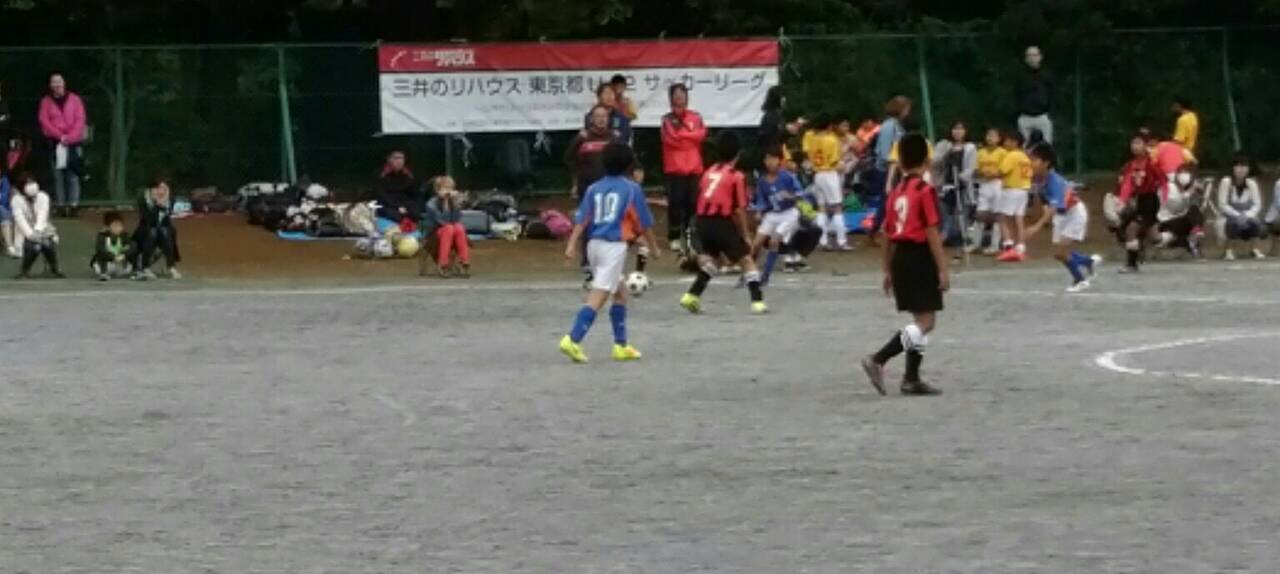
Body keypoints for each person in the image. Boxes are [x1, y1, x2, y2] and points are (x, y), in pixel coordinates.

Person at [860, 133, 947, 396]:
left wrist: (887, 268)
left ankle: (911, 378)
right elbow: (931, 231)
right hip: (919, 256)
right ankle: (879, 358)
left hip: (900, 257)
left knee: (919, 318)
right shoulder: (925, 191)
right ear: (926, 160)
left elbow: (887, 234)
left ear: (900, 162)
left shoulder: (895, 192)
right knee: (927, 322)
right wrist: (942, 268)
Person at [560, 143, 660, 364]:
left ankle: (620, 345)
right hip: (613, 246)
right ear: (629, 165)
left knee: (620, 292)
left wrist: (571, 245)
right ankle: (573, 339)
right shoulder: (632, 189)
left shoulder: (594, 188)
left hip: (593, 245)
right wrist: (654, 248)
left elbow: (582, 219)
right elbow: (645, 223)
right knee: (600, 294)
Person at [679, 132, 766, 315]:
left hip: (702, 222)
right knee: (747, 260)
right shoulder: (736, 176)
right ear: (738, 153)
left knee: (716, 260)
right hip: (719, 221)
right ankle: (757, 301)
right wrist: (745, 236)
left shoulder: (709, 172)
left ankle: (692, 295)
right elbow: (738, 210)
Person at [1024, 144, 1099, 292]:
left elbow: (1052, 208)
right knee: (1059, 254)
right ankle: (1087, 261)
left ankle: (1080, 280)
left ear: (1046, 163)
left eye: (1034, 160)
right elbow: (1044, 201)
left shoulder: (1054, 181)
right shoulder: (1038, 178)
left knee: (1061, 252)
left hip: (1075, 214)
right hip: (1061, 215)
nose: (1031, 163)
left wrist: (1036, 227)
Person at [660, 83, 707, 252]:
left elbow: (702, 135)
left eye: (682, 94)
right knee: (676, 202)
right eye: (676, 94)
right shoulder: (667, 119)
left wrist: (683, 136)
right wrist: (690, 137)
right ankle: (673, 236)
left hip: (694, 168)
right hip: (675, 168)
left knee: (693, 202)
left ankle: (689, 234)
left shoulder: (696, 117)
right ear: (671, 98)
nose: (679, 97)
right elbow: (671, 139)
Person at [750, 147, 804, 285]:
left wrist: (789, 196)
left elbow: (801, 195)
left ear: (779, 160)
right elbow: (761, 200)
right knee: (756, 244)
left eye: (772, 159)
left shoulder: (788, 177)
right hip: (772, 214)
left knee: (774, 240)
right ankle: (749, 272)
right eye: (767, 159)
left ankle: (766, 275)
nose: (769, 162)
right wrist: (759, 212)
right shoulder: (762, 181)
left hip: (789, 213)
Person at [38, 72, 87, 217]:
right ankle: (61, 205)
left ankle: (73, 205)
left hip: (73, 143)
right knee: (58, 175)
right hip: (55, 143)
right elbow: (44, 121)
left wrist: (70, 138)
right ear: (50, 85)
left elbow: (80, 119)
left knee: (73, 174)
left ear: (64, 83)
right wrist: (60, 136)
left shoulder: (75, 100)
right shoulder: (46, 102)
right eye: (54, 82)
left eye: (59, 81)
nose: (57, 84)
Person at [1116, 133, 1166, 272]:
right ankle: (1174, 235)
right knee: (1155, 237)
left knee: (1131, 229)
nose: (1134, 146)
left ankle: (1132, 264)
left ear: (1145, 146)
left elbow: (1163, 180)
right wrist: (1122, 200)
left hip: (1150, 200)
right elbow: (1127, 184)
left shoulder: (1152, 163)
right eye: (1133, 143)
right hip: (1141, 200)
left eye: (1138, 143)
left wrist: (1165, 197)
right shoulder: (1131, 165)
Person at [803, 114, 849, 251]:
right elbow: (835, 161)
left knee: (821, 207)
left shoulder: (812, 139)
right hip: (830, 173)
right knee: (838, 207)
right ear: (829, 125)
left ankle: (822, 240)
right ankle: (841, 241)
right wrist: (842, 165)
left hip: (818, 174)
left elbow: (809, 156)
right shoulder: (832, 139)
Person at [869, 96, 911, 233]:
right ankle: (876, 229)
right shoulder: (889, 126)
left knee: (891, 200)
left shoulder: (897, 126)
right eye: (906, 108)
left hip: (896, 168)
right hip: (886, 169)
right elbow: (885, 151)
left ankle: (885, 227)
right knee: (887, 200)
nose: (908, 112)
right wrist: (893, 164)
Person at [932, 121, 977, 246]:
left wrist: (960, 177)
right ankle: (945, 234)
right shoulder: (944, 145)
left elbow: (971, 168)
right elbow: (935, 162)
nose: (958, 132)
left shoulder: (970, 147)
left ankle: (960, 235)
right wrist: (946, 153)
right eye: (955, 129)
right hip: (945, 184)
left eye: (961, 129)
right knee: (944, 211)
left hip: (962, 185)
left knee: (961, 212)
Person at [10, 179, 62, 279]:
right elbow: (20, 220)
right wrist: (31, 235)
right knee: (35, 247)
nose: (33, 199)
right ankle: (24, 270)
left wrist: (38, 231)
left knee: (47, 243)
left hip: (43, 229)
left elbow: (42, 215)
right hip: (24, 232)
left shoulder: (43, 197)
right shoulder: (16, 200)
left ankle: (54, 269)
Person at [1217, 156, 1265, 260]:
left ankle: (1254, 249)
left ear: (1248, 169)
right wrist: (1237, 215)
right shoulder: (1226, 182)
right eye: (1238, 166)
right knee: (1233, 223)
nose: (1241, 169)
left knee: (1256, 223)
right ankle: (1228, 251)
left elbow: (1257, 204)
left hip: (1247, 215)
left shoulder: (1252, 183)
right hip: (1229, 215)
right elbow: (1222, 204)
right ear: (1233, 168)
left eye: (1244, 167)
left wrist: (1247, 215)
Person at [567, 104, 620, 200]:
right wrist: (575, 183)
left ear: (608, 119)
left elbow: (623, 161)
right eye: (598, 116)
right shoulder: (583, 137)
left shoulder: (614, 137)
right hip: (587, 187)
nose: (601, 119)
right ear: (592, 119)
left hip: (610, 187)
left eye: (604, 116)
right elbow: (569, 158)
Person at [133, 176, 181, 280]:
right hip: (145, 230)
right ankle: (145, 267)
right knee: (153, 232)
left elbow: (166, 220)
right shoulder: (143, 199)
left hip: (163, 231)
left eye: (164, 188)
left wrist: (163, 205)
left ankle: (171, 266)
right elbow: (150, 220)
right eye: (158, 188)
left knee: (165, 231)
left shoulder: (170, 199)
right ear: (151, 189)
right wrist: (157, 205)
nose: (161, 192)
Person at [422, 175, 471, 278]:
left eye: (450, 188)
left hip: (451, 232)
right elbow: (443, 222)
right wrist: (445, 203)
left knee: (459, 227)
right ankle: (443, 263)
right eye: (445, 188)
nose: (448, 191)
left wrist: (456, 204)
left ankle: (464, 261)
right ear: (437, 190)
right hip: (433, 235)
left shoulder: (453, 201)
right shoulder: (431, 204)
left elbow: (456, 220)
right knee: (448, 228)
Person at [995, 131, 1032, 262]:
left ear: (1015, 142)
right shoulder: (1025, 156)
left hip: (1011, 189)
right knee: (1019, 218)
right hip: (1023, 190)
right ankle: (1021, 247)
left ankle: (1008, 247)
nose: (1005, 143)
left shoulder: (1011, 155)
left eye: (1007, 141)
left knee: (1003, 218)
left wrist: (989, 173)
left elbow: (1002, 171)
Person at [968, 127, 1007, 254]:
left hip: (997, 184)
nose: (990, 138)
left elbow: (1005, 170)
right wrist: (981, 173)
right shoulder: (980, 152)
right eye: (988, 135)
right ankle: (975, 244)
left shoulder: (1003, 152)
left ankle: (994, 245)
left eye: (993, 135)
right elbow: (975, 170)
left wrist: (994, 174)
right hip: (984, 184)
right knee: (980, 214)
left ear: (999, 139)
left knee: (997, 215)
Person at [1156, 167, 1206, 258]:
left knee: (1195, 210)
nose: (1184, 175)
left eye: (1187, 172)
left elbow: (1195, 205)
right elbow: (1175, 207)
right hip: (1166, 221)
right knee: (1175, 234)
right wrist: (1189, 192)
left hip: (1181, 221)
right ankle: (1187, 242)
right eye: (1182, 172)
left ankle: (1196, 231)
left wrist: (1199, 192)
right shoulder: (1169, 187)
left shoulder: (1187, 187)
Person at [374, 150, 424, 233]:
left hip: (406, 204)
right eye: (396, 158)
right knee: (390, 213)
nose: (399, 161)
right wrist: (398, 207)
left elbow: (416, 194)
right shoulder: (380, 174)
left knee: (415, 211)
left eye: (401, 158)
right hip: (388, 204)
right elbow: (381, 195)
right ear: (389, 159)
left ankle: (412, 230)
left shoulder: (410, 174)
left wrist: (408, 206)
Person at [1015, 46, 1054, 144]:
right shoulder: (1020, 75)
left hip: (1042, 116)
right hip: (1025, 117)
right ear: (1026, 59)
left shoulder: (1047, 74)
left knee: (1046, 147)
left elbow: (1052, 93)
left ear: (1040, 57)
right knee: (1025, 148)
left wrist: (1049, 112)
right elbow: (1016, 94)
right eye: (1029, 55)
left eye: (1034, 55)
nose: (1032, 58)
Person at [91, 211, 133, 281]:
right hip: (107, 264)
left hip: (120, 264)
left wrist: (124, 255)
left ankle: (135, 271)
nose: (118, 228)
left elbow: (132, 247)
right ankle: (103, 273)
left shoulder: (125, 236)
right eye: (115, 226)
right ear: (107, 227)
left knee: (132, 255)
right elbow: (100, 249)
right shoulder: (102, 236)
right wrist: (113, 257)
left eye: (120, 226)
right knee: (100, 255)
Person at [0, 173, 15, 258]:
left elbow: (4, 199)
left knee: (2, 210)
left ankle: (9, 246)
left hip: (4, 212)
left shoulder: (4, 181)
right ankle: (9, 246)